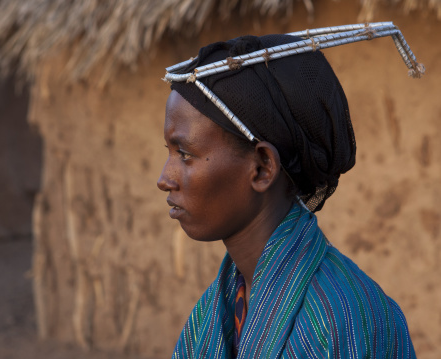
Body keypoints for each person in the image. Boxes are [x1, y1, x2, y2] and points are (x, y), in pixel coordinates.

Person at [157, 29, 417, 359]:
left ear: (263, 167)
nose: (164, 179)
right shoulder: (214, 314)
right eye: (168, 152)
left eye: (185, 154)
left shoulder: (347, 320)